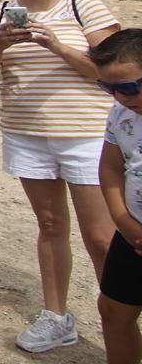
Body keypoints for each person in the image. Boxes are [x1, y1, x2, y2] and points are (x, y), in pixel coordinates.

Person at [0, 0, 120, 352]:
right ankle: (57, 317)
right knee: (51, 226)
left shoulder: (83, 7)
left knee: (101, 236)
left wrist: (55, 45)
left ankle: (118, 316)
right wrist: (1, 42)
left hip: (87, 136)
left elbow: (110, 70)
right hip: (27, 136)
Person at [89, 29, 142, 364]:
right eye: (109, 88)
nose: (121, 97)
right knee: (113, 309)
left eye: (127, 87)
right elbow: (110, 169)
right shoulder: (121, 115)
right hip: (133, 233)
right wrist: (123, 221)